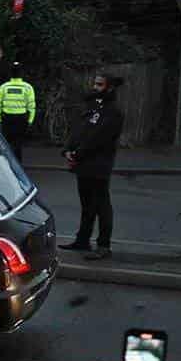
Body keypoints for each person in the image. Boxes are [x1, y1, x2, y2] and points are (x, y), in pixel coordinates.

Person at [62, 74, 124, 261]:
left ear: (110, 88)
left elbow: (99, 138)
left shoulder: (113, 112)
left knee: (101, 205)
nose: (95, 87)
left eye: (99, 84)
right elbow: (80, 130)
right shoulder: (93, 106)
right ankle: (82, 239)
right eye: (95, 83)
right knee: (87, 204)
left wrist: (78, 153)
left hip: (99, 164)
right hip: (84, 163)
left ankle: (104, 245)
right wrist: (68, 149)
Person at [0, 62, 37, 162]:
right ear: (21, 73)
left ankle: (7, 164)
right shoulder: (27, 87)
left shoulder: (4, 87)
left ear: (10, 73)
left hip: (7, 118)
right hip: (21, 119)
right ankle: (18, 165)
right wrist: (30, 120)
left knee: (7, 143)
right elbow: (32, 106)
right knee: (18, 143)